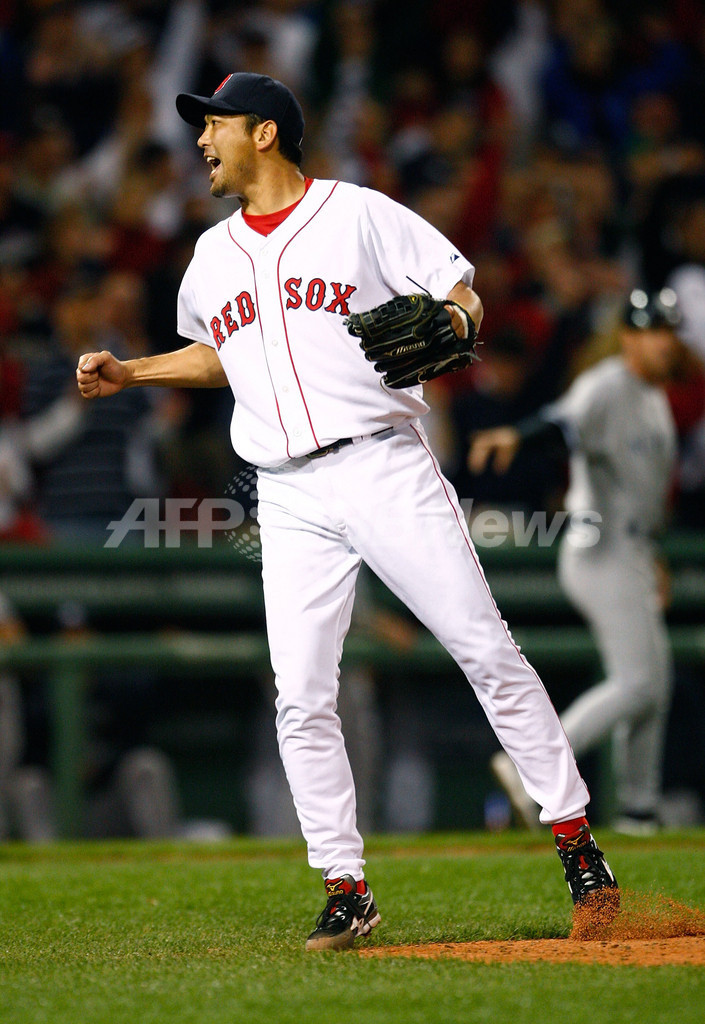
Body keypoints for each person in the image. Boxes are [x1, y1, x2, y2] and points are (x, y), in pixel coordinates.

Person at [75, 72, 618, 951]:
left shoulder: (358, 212)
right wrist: (133, 372)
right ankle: (344, 885)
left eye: (214, 126)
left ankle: (576, 844)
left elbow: (461, 290)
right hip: (283, 490)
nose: (201, 141)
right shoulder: (211, 255)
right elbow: (219, 357)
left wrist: (452, 314)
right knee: (300, 695)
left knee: (484, 648)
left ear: (264, 132)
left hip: (382, 467)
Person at [469, 288, 681, 836]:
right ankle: (529, 772)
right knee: (637, 682)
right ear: (629, 336)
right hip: (598, 549)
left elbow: (646, 495)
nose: (664, 341)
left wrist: (652, 557)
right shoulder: (607, 384)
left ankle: (639, 811)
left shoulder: (654, 396)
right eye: (653, 330)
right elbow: (561, 424)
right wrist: (515, 434)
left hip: (631, 548)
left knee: (654, 684)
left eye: (669, 331)